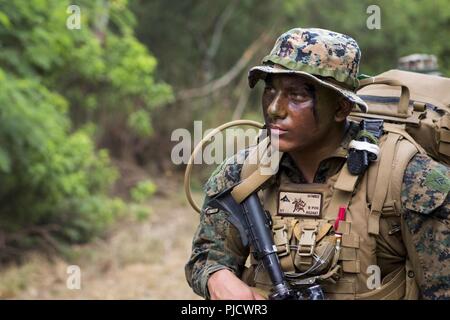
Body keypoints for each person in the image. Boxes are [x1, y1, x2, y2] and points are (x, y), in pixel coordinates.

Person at [185, 27, 450, 300]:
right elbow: (206, 257)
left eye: (297, 96)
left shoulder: (410, 178)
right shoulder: (242, 173)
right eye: (270, 90)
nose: (275, 109)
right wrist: (217, 277)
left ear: (341, 108)